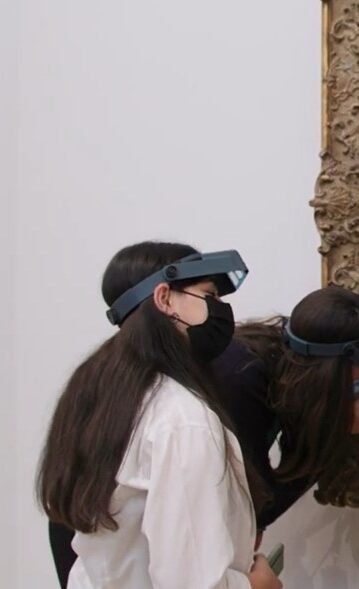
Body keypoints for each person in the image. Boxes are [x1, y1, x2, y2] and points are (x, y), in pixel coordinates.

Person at [47, 285, 359, 587]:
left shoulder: (268, 362)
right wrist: (337, 429)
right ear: (335, 368)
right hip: (99, 541)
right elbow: (250, 510)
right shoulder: (236, 388)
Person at [38, 242, 282, 589]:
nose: (221, 309)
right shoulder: (182, 419)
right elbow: (193, 581)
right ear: (164, 298)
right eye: (209, 295)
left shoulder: (99, 395)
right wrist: (258, 584)